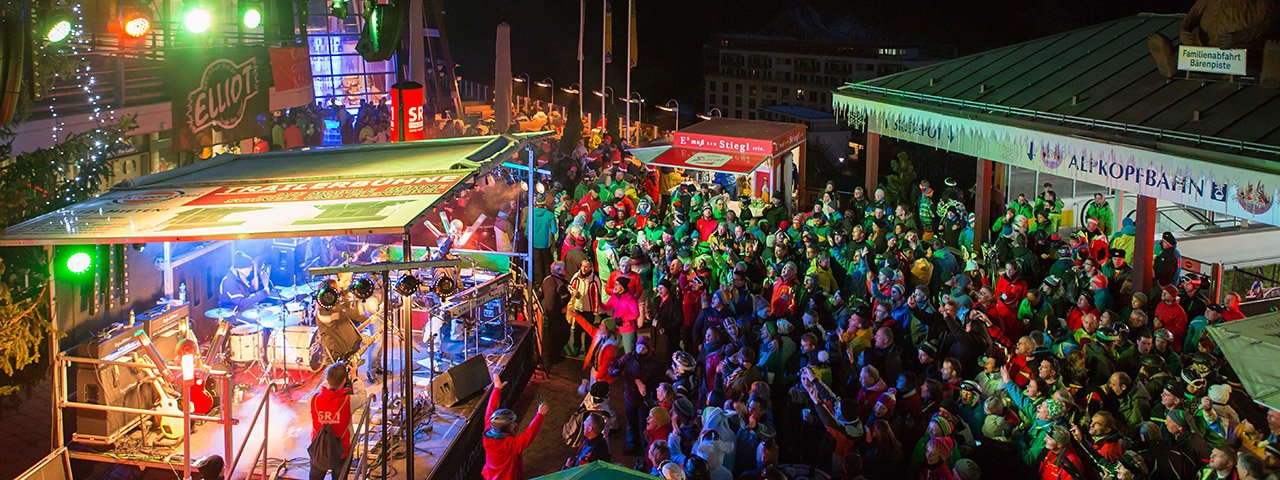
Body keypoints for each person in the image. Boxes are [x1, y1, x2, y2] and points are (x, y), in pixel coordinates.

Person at [482, 372, 548, 480]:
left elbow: (490, 411)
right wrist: (539, 416)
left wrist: (497, 389)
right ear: (505, 428)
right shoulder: (510, 445)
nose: (515, 425)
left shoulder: (488, 432)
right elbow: (528, 436)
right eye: (512, 424)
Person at [309, 362, 352, 480]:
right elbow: (363, 396)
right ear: (344, 381)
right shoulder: (348, 401)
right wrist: (355, 378)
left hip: (318, 448)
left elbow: (317, 391)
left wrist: (328, 380)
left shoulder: (314, 399)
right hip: (341, 450)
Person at [541, 261, 571, 365]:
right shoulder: (561, 285)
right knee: (561, 335)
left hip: (547, 313)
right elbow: (564, 299)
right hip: (557, 314)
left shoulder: (546, 280)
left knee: (550, 336)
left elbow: (541, 294)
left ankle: (551, 356)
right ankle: (555, 357)